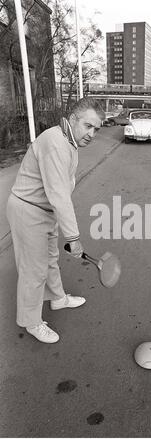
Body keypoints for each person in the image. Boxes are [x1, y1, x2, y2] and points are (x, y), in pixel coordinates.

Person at [6, 97, 105, 344]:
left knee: (50, 259)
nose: (92, 133)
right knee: (33, 271)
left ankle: (58, 299)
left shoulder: (69, 142)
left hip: (44, 211)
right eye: (88, 125)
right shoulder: (55, 143)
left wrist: (60, 223)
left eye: (96, 129)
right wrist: (73, 237)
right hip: (29, 211)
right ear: (72, 119)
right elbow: (59, 194)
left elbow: (60, 191)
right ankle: (31, 322)